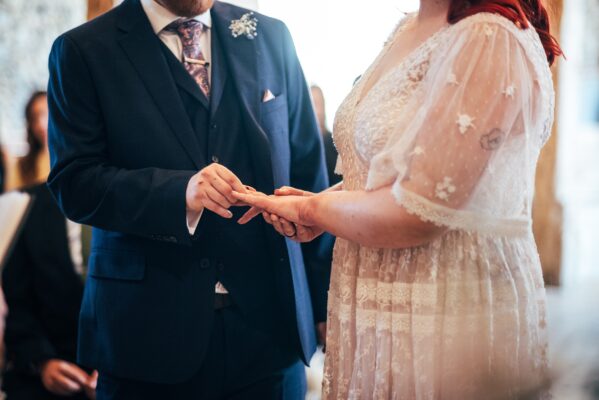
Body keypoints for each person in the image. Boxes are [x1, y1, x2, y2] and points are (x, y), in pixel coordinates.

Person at [234, 0, 562, 398]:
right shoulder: (408, 29)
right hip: (378, 294)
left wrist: (310, 209)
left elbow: (419, 211)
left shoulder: (489, 35)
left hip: (444, 302)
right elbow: (393, 174)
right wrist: (328, 209)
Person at [46, 0, 330, 399]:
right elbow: (74, 183)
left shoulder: (270, 35)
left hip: (271, 333)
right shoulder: (83, 49)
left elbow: (307, 176)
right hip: (146, 336)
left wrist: (323, 303)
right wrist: (179, 193)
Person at [2, 183, 97, 400]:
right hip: (49, 368)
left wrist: (122, 367)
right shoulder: (25, 203)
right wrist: (42, 361)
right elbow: (15, 299)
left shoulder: (134, 200)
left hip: (128, 369)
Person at [5, 92, 51, 191]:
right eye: (34, 118)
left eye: (46, 114)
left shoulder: (74, 158)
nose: (41, 125)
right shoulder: (20, 166)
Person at [311, 85, 341, 186]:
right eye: (313, 105)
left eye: (319, 104)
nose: (317, 111)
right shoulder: (302, 149)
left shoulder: (336, 143)